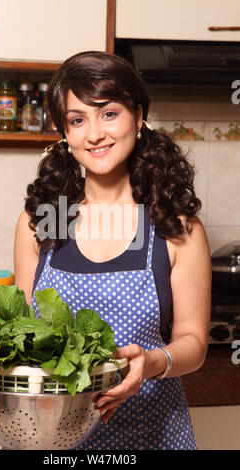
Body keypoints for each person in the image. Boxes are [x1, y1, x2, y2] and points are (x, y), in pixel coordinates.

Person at [14, 51, 211, 450]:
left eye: (108, 113)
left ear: (137, 117)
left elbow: (193, 341)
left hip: (154, 435)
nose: (94, 134)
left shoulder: (175, 227)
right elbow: (21, 336)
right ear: (65, 134)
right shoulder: (41, 222)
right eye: (77, 120)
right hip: (54, 438)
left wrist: (153, 362)